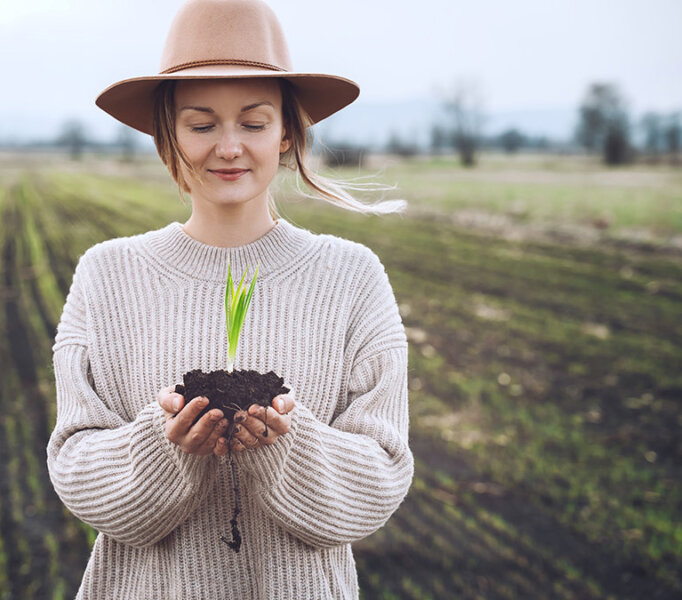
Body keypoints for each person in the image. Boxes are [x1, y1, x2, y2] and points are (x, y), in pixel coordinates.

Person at [45, 0, 413, 598]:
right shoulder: (108, 275)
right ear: (168, 131)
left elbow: (382, 474)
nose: (229, 146)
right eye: (201, 123)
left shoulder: (351, 278)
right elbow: (76, 464)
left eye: (253, 121)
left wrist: (285, 446)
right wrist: (168, 447)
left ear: (287, 130)